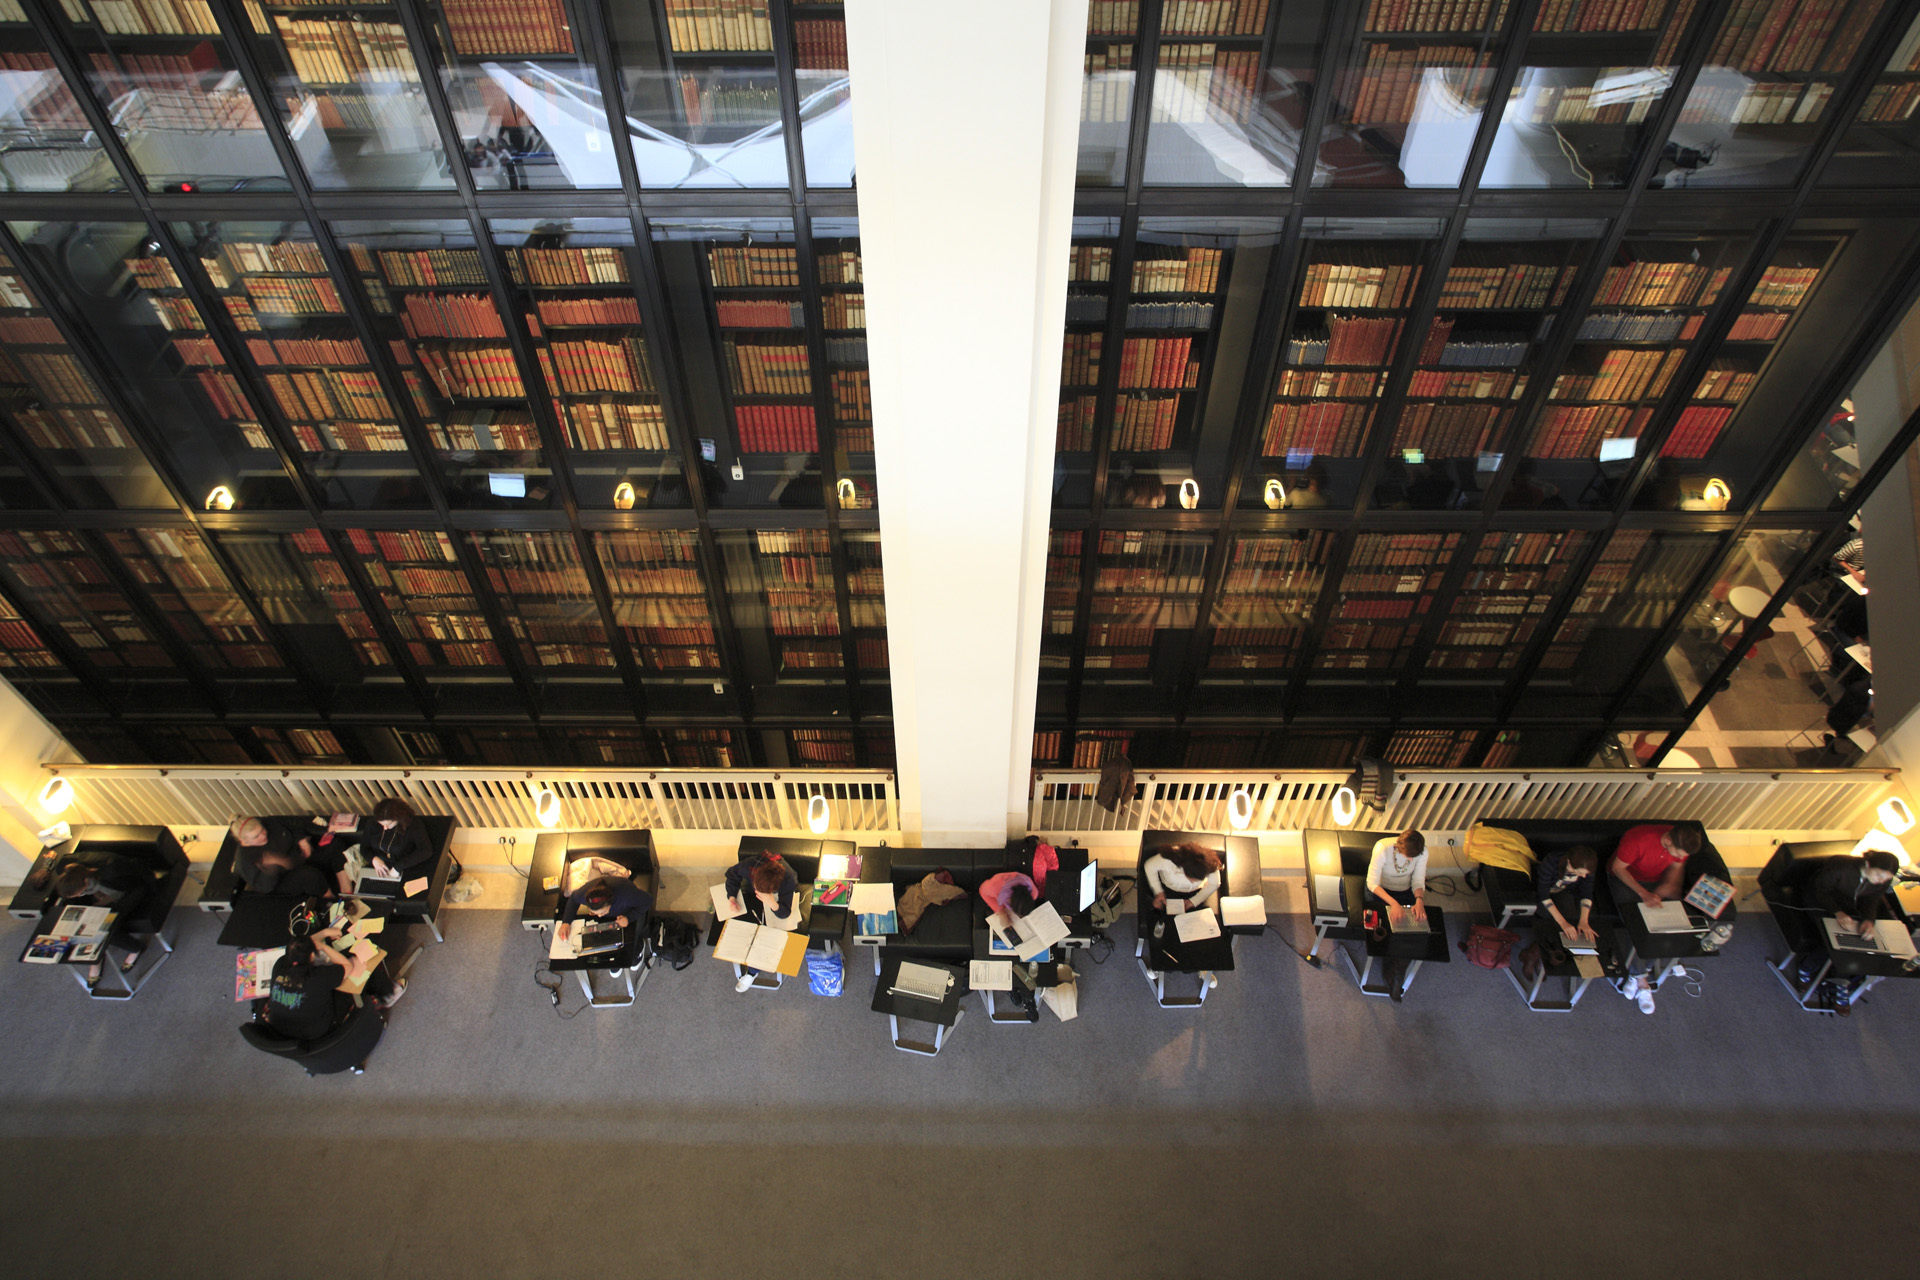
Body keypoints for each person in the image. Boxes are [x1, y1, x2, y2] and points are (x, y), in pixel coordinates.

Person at [261, 926, 398, 1041]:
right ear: (312, 956)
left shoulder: (280, 965)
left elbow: (300, 947)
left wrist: (325, 933)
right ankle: (388, 995)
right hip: (316, 1032)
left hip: (282, 1030)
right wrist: (323, 947)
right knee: (357, 974)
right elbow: (347, 966)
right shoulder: (317, 977)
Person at [45, 851, 153, 977]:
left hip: (131, 889)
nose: (80, 894)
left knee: (106, 925)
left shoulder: (111, 873)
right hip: (104, 890)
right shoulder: (67, 870)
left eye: (80, 892)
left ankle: (135, 948)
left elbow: (123, 889)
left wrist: (100, 906)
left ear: (85, 882)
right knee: (79, 917)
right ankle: (94, 953)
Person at [1143, 842, 1223, 989]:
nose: (1192, 881)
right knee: (1167, 928)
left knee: (1199, 931)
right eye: (1191, 878)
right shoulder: (1169, 860)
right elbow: (1149, 866)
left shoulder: (1208, 865)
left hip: (1194, 895)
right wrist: (1158, 891)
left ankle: (1201, 967)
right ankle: (1159, 964)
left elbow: (1214, 884)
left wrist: (1193, 901)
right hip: (1169, 891)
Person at [723, 851, 800, 992]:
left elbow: (785, 913)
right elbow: (731, 875)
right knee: (742, 930)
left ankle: (752, 972)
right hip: (755, 899)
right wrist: (732, 897)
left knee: (773, 936)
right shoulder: (749, 866)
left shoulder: (788, 878)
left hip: (776, 900)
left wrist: (772, 902)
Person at [559, 871, 653, 967]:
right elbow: (573, 899)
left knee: (630, 942)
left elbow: (648, 901)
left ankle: (638, 947)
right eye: (595, 913)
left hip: (632, 910)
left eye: (602, 912)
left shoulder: (627, 895)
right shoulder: (585, 893)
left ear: (610, 903)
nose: (599, 915)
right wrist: (566, 922)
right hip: (613, 916)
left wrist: (628, 918)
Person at [1812, 850, 1900, 941]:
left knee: (1857, 936)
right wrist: (1838, 912)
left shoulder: (1883, 880)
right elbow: (1821, 891)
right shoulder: (1842, 867)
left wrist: (1868, 920)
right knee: (1826, 936)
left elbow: (1872, 899)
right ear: (1868, 864)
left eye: (1886, 879)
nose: (1881, 881)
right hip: (1823, 899)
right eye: (1878, 875)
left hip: (1848, 903)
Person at [1609, 822, 1701, 907]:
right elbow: (1617, 868)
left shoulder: (1684, 842)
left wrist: (1668, 886)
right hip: (1626, 877)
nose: (1680, 858)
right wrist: (1643, 893)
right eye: (1678, 854)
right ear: (1668, 841)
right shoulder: (1637, 840)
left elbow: (1677, 867)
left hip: (1654, 879)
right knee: (1630, 909)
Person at [354, 798, 437, 882]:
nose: (385, 828)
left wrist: (398, 867)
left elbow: (425, 850)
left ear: (398, 818)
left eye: (389, 824)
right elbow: (364, 847)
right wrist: (374, 859)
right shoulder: (372, 823)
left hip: (407, 866)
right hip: (380, 868)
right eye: (382, 824)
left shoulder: (413, 825)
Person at [230, 816, 315, 893]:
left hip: (300, 854)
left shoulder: (269, 823)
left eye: (262, 830)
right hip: (284, 879)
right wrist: (272, 867)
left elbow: (292, 824)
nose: (263, 835)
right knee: (309, 875)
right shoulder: (245, 861)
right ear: (244, 841)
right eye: (256, 837)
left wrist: (301, 840)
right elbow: (266, 888)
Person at [1365, 829, 1428, 927]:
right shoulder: (1382, 848)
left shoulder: (1423, 852)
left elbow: (1418, 880)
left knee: (1410, 921)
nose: (1411, 860)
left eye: (1414, 857)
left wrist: (1419, 899)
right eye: (1408, 856)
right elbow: (1372, 883)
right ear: (1400, 848)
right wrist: (1394, 904)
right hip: (1382, 890)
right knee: (1380, 921)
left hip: (1405, 891)